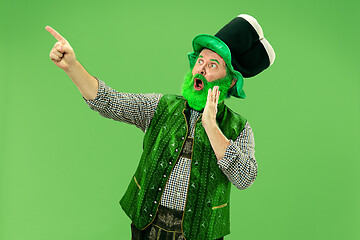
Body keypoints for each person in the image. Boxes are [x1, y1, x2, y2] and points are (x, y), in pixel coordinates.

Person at [46, 13, 275, 240]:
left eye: (212, 65)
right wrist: (72, 67)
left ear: (231, 80)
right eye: (200, 61)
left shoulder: (239, 128)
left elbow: (245, 177)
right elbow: (109, 101)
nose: (201, 69)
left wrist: (212, 128)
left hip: (200, 235)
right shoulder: (160, 107)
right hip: (147, 229)